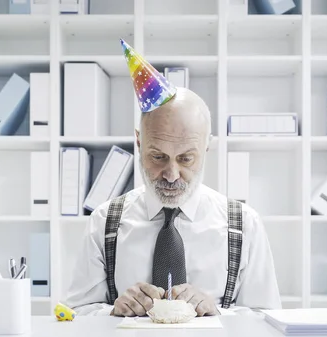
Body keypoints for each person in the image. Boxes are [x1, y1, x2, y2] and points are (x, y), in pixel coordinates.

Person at [62, 39, 281, 317]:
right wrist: (112, 311)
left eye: (186, 158)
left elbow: (268, 322)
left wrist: (217, 312)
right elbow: (74, 315)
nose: (171, 174)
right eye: (158, 157)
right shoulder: (104, 222)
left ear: (206, 147)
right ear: (139, 143)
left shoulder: (245, 225)